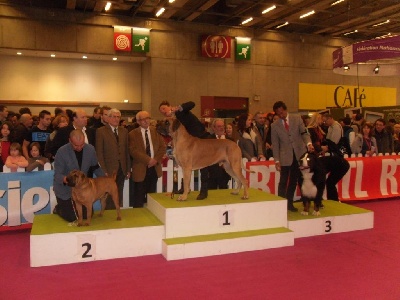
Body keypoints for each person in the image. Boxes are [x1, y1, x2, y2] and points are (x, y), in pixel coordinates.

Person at [159, 100, 210, 200]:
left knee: (204, 166)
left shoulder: (180, 111)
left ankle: (204, 191)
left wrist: (177, 108)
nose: (163, 112)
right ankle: (186, 188)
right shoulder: (171, 121)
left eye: (164, 109)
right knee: (185, 165)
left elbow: (192, 103)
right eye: (161, 111)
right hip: (189, 142)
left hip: (201, 137)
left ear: (170, 106)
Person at [53, 129, 105, 222]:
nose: (80, 148)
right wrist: (66, 180)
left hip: (82, 190)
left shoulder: (90, 149)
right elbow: (57, 174)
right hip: (65, 190)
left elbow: (95, 167)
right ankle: (58, 208)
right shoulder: (61, 152)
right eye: (76, 145)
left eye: (82, 145)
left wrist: (104, 177)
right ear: (70, 141)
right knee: (73, 218)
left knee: (87, 215)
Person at [271, 101, 314, 212]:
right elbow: (275, 144)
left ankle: (289, 203)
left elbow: (304, 133)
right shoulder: (274, 125)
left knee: (294, 181)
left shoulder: (297, 118)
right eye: (278, 114)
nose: (281, 115)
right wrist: (276, 160)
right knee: (283, 181)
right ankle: (280, 204)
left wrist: (309, 144)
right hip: (284, 156)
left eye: (282, 112)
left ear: (285, 110)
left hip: (299, 155)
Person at [129, 111, 166, 207]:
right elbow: (133, 151)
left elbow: (162, 147)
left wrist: (155, 160)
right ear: (138, 121)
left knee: (152, 195)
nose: (146, 121)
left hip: (154, 168)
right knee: (139, 197)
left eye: (147, 118)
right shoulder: (132, 134)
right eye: (142, 119)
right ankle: (137, 218)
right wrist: (148, 160)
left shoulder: (156, 131)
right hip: (140, 168)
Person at [96, 108, 131, 208]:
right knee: (108, 193)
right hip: (109, 169)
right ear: (108, 118)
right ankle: (108, 213)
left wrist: (128, 169)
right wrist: (103, 170)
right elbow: (99, 153)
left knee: (119, 191)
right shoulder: (101, 131)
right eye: (114, 117)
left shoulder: (124, 131)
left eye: (118, 117)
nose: (116, 119)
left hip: (122, 168)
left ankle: (117, 211)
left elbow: (126, 151)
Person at [208, 119, 231, 190]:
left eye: (223, 126)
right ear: (214, 128)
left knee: (224, 193)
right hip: (212, 172)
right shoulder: (209, 139)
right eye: (219, 126)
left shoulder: (230, 140)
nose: (221, 128)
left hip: (225, 172)